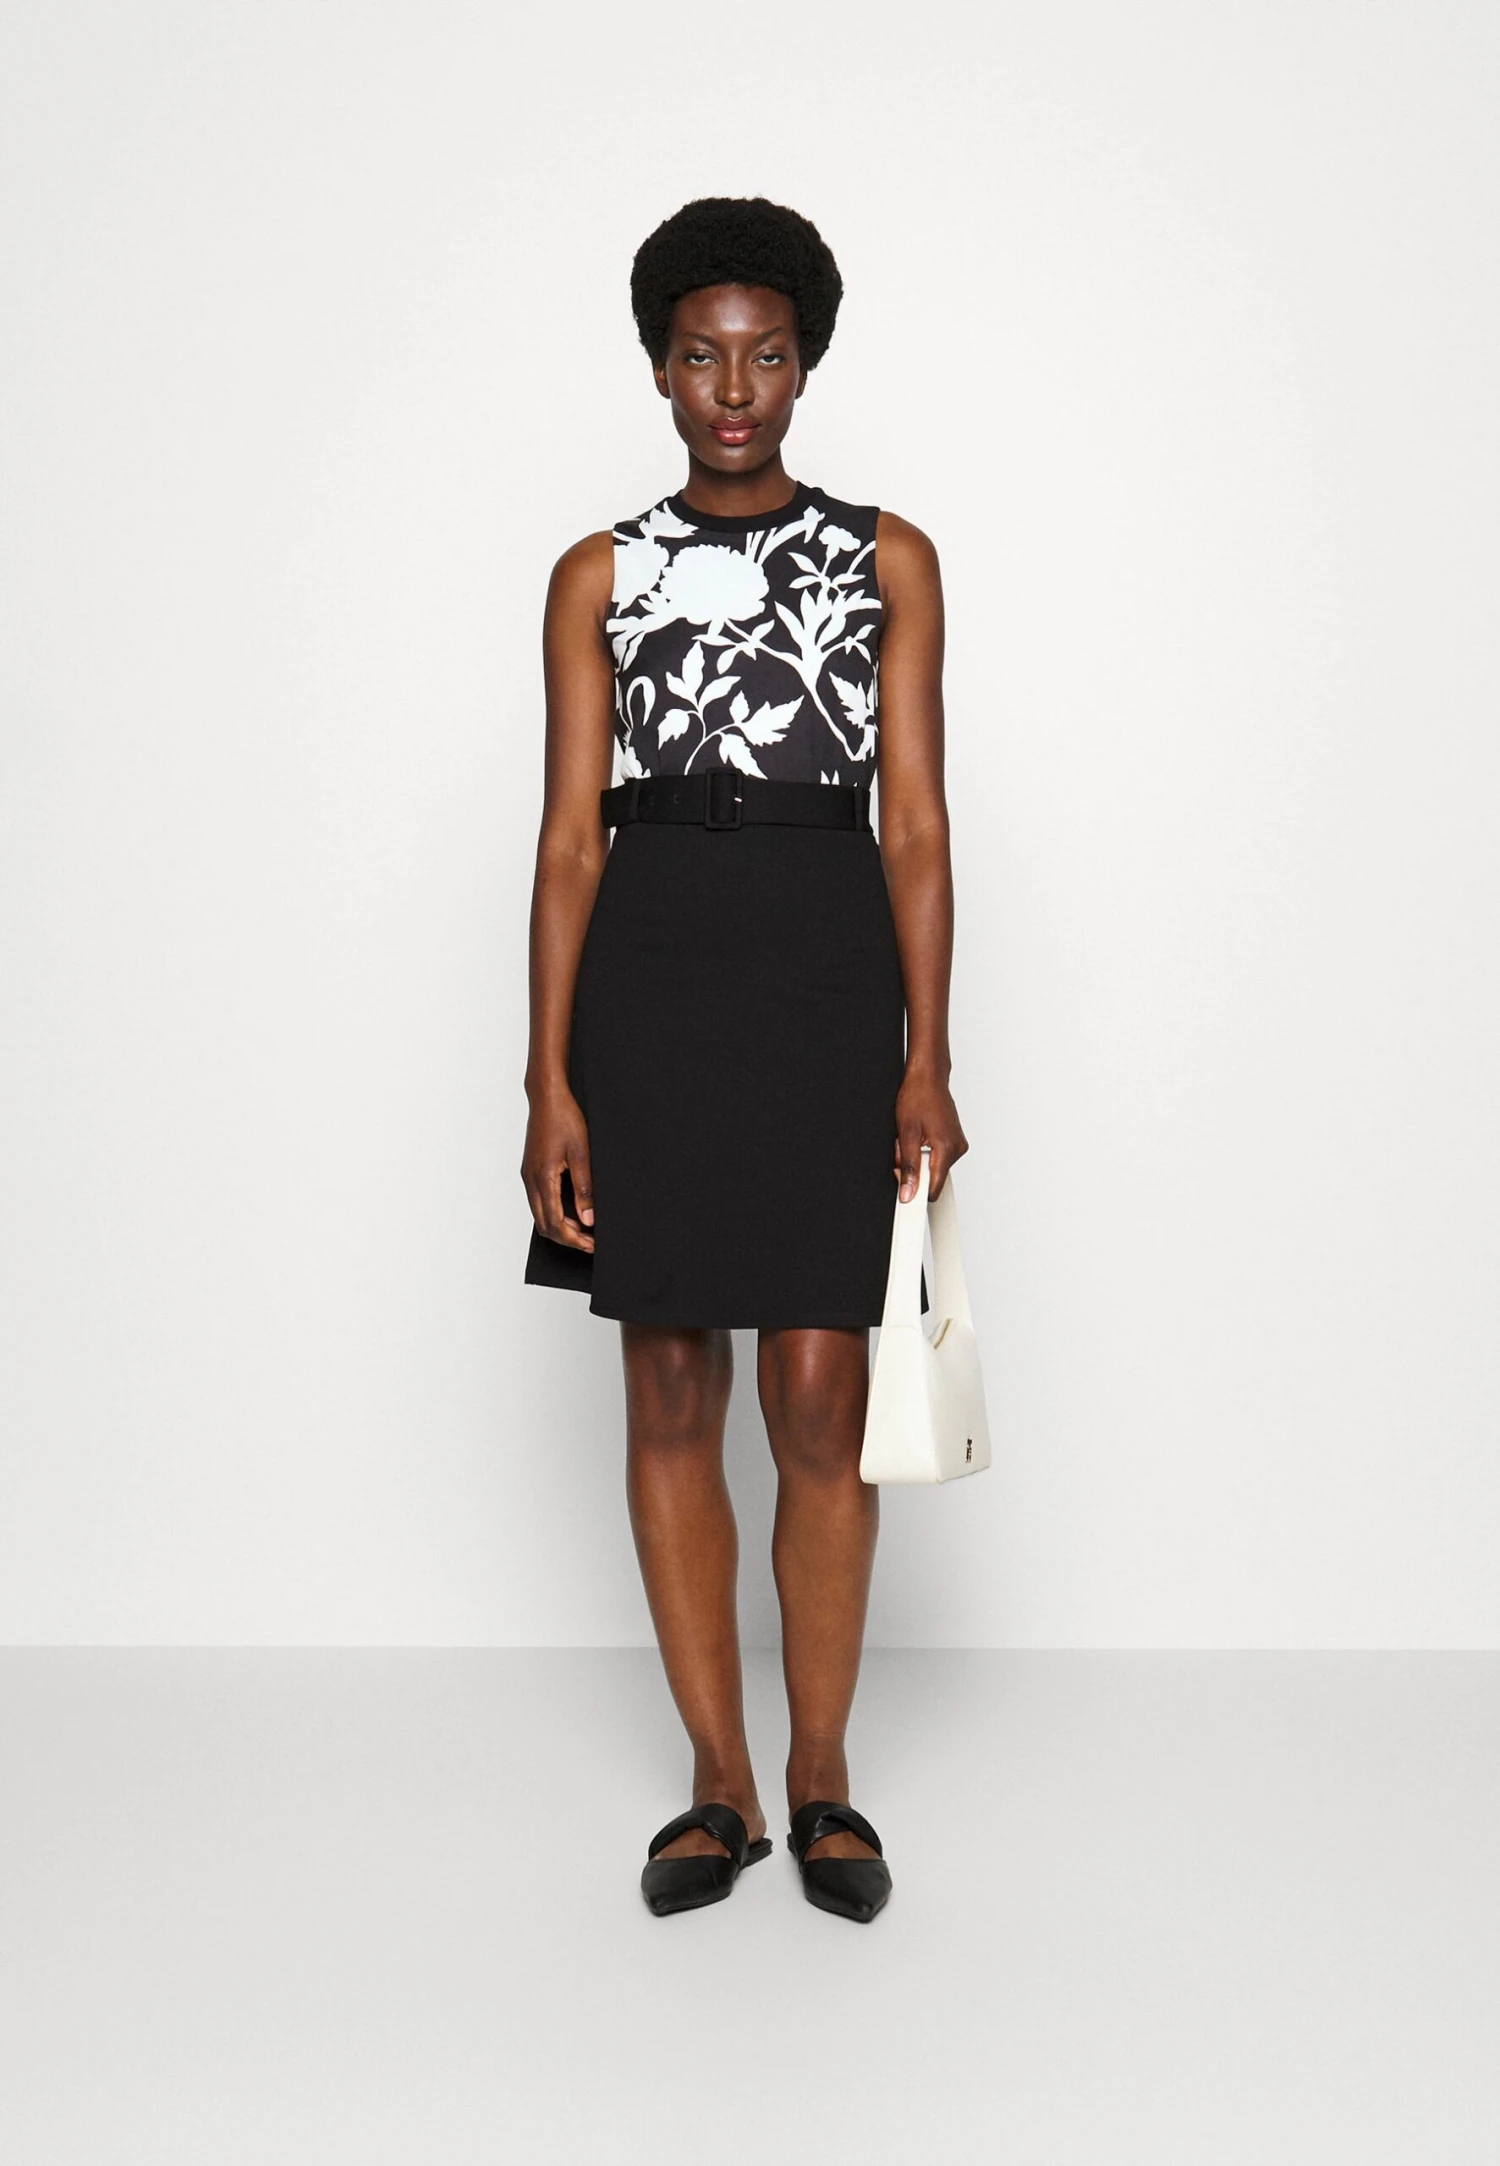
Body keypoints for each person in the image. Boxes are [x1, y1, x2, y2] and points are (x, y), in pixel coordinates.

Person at [522, 196, 966, 1922]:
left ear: (804, 365)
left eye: (765, 356)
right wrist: (549, 1081)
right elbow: (570, 841)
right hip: (650, 978)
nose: (733, 389)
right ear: (657, 368)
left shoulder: (887, 556)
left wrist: (928, 1056)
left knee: (820, 1390)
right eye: (702, 357)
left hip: (822, 973)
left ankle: (823, 1772)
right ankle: (718, 1779)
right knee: (665, 1381)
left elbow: (914, 823)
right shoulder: (598, 573)